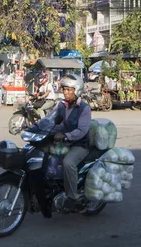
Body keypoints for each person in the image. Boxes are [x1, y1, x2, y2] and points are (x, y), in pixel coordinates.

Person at [48, 74, 91, 211]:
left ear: (77, 91)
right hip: (64, 142)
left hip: (79, 144)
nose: (66, 93)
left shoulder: (84, 108)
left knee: (68, 163)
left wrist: (65, 136)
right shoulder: (61, 105)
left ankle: (72, 196)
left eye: (69, 90)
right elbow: (50, 119)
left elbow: (82, 130)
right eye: (64, 89)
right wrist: (36, 127)